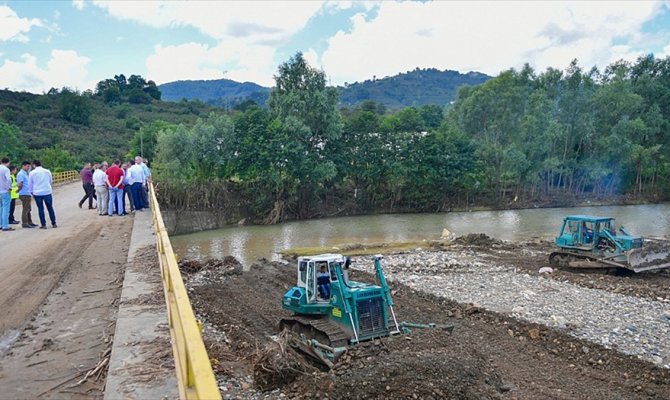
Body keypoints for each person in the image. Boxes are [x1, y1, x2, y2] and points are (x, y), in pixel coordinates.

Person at [29, 160, 57, 229]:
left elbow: (30, 184)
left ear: (34, 165)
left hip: (37, 192)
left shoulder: (32, 173)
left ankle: (43, 224)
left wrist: (31, 192)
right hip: (47, 191)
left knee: (40, 208)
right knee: (50, 207)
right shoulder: (47, 171)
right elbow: (51, 181)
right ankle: (54, 223)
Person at [17, 161, 36, 228]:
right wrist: (18, 190)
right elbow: (20, 184)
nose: (28, 168)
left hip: (27, 193)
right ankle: (25, 223)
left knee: (28, 208)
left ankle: (29, 221)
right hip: (24, 193)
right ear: (23, 166)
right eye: (27, 166)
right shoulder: (21, 174)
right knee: (26, 209)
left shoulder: (25, 173)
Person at [0, 157, 12, 231]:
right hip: (5, 191)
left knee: (0, 208)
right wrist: (9, 188)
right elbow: (8, 179)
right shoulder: (6, 169)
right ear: (8, 162)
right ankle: (5, 225)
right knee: (6, 208)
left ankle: (1, 224)